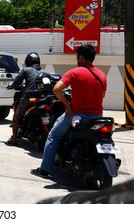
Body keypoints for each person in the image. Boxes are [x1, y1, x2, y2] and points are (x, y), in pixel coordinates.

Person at [31, 44, 107, 178]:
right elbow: (102, 95)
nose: (76, 59)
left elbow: (56, 89)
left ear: (82, 58)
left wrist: (67, 105)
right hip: (97, 116)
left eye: (77, 56)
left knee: (53, 135)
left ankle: (45, 169)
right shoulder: (101, 75)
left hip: (77, 115)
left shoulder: (74, 72)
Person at [5, 52, 42, 146]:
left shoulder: (26, 70)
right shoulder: (42, 72)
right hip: (41, 99)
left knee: (16, 116)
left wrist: (10, 86)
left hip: (29, 98)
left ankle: (13, 140)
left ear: (28, 61)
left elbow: (15, 82)